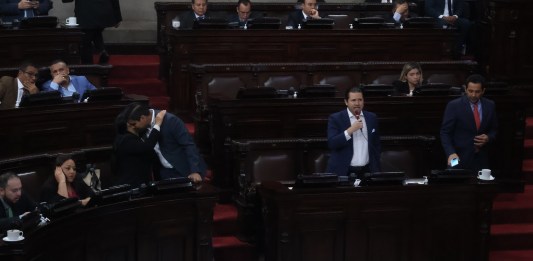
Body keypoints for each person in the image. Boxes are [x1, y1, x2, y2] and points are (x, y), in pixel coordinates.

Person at [440, 74, 498, 171]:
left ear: (483, 91)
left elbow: (494, 129)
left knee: (482, 185)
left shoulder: (490, 105)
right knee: (456, 184)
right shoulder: (454, 106)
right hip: (456, 157)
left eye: (477, 92)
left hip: (481, 158)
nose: (473, 95)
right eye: (470, 91)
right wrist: (450, 153)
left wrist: (488, 137)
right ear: (465, 89)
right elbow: (445, 132)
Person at [327, 87, 381, 178]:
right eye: (353, 100)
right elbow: (332, 143)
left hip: (368, 171)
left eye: (360, 100)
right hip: (344, 171)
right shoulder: (336, 118)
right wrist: (350, 130)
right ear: (346, 102)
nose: (357, 103)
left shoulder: (371, 117)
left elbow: (376, 143)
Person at [113, 103, 166, 187]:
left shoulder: (131, 136)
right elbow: (147, 147)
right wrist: (157, 124)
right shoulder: (126, 140)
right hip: (129, 188)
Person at [61, 0, 122, 64]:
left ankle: (88, 67)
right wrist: (118, 17)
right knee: (95, 31)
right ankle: (102, 52)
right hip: (103, 11)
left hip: (86, 12)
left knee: (86, 42)